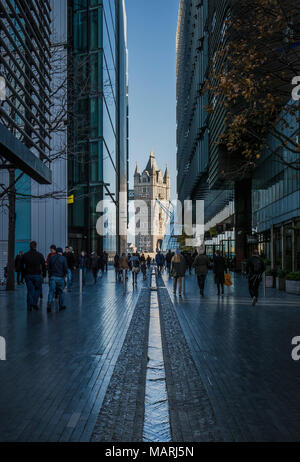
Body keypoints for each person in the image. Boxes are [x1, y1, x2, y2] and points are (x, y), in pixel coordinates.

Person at [21, 241, 46, 312]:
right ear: (36, 246)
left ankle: (29, 306)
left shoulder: (25, 255)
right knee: (38, 289)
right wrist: (44, 275)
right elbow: (44, 266)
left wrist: (23, 274)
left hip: (28, 275)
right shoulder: (40, 255)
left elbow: (21, 266)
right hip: (37, 275)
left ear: (30, 246)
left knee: (30, 290)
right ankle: (34, 303)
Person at [47, 247, 68, 312]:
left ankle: (49, 304)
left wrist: (50, 275)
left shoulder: (51, 258)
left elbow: (49, 268)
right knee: (61, 292)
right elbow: (65, 268)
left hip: (53, 277)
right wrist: (65, 275)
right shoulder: (63, 258)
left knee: (51, 291)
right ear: (61, 252)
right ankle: (61, 306)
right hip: (60, 277)